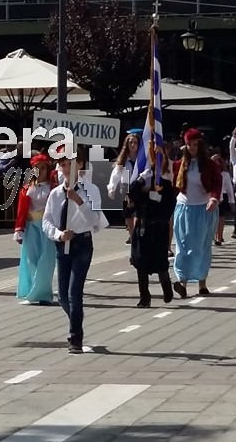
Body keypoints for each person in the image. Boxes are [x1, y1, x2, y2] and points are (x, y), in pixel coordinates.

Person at [42, 150, 107, 353]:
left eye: (70, 163)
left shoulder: (91, 189)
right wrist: (59, 234)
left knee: (74, 292)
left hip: (82, 244)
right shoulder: (55, 194)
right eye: (63, 165)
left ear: (80, 164)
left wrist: (79, 201)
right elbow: (47, 221)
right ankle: (76, 317)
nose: (66, 168)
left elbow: (94, 220)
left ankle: (75, 337)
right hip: (63, 244)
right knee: (62, 295)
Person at [172, 129, 222, 299]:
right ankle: (182, 282)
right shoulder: (179, 165)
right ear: (185, 146)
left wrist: (213, 199)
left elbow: (217, 183)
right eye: (189, 144)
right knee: (183, 246)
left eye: (195, 144)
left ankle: (202, 283)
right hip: (184, 209)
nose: (192, 147)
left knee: (201, 247)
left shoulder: (210, 165)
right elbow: (171, 184)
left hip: (204, 210)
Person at [127, 143, 175, 307]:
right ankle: (144, 297)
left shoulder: (166, 184)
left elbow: (169, 208)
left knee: (160, 262)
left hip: (159, 228)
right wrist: (142, 178)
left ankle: (167, 288)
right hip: (143, 227)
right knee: (140, 262)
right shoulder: (143, 182)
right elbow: (131, 193)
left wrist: (159, 198)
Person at [13, 153, 57, 305]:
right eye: (37, 168)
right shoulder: (27, 188)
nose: (40, 171)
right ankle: (31, 293)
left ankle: (44, 294)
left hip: (47, 227)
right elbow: (21, 211)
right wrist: (19, 229)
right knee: (30, 259)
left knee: (46, 261)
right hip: (31, 227)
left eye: (43, 168)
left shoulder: (53, 188)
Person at [107, 131, 141, 243]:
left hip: (138, 191)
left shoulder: (141, 159)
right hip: (126, 191)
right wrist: (112, 188)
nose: (133, 145)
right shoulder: (123, 159)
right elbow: (116, 174)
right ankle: (133, 239)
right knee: (129, 218)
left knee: (137, 218)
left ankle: (136, 237)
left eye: (135, 142)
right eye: (131, 142)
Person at [213, 154, 235, 246]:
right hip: (212, 196)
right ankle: (215, 235)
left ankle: (219, 237)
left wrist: (232, 201)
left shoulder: (225, 174)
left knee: (220, 217)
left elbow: (229, 188)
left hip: (223, 196)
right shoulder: (209, 173)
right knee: (213, 218)